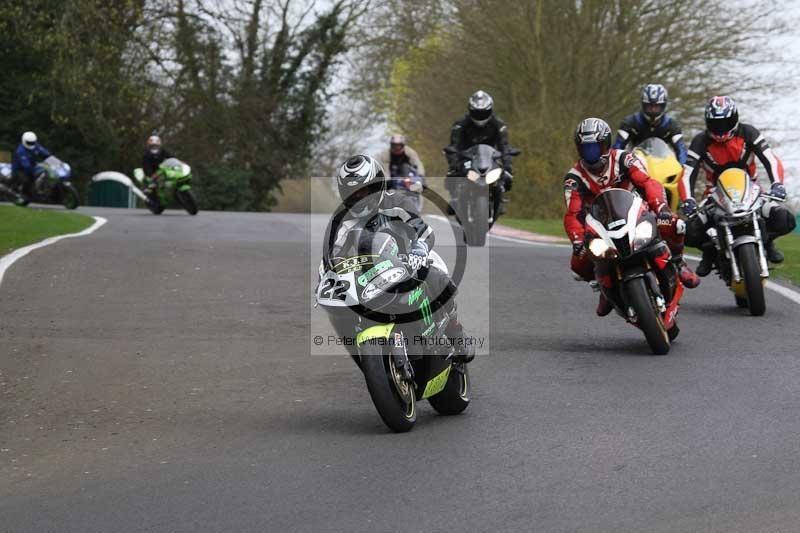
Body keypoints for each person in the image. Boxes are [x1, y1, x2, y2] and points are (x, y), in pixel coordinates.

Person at [323, 155, 474, 362]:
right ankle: (364, 353)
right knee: (340, 305)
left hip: (409, 259)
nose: (359, 197)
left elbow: (423, 230)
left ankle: (456, 332)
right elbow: (333, 253)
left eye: (365, 191)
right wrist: (330, 272)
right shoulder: (342, 220)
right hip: (369, 274)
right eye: (352, 194)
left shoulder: (398, 201)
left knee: (435, 275)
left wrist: (419, 250)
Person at [563, 118, 699, 316]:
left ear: (606, 144)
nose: (590, 154)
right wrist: (577, 240)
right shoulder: (573, 178)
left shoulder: (623, 159)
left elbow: (647, 183)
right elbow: (573, 214)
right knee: (578, 264)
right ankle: (604, 286)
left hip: (635, 212)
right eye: (586, 149)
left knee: (674, 224)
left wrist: (660, 207)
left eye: (595, 147)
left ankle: (678, 262)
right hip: (600, 226)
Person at [680, 96, 795, 276]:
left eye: (726, 123)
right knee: (690, 230)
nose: (721, 129)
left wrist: (777, 184)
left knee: (784, 218)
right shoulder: (700, 141)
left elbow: (771, 159)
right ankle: (709, 252)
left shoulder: (749, 133)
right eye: (715, 124)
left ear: (735, 118)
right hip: (714, 196)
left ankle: (767, 241)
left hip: (753, 191)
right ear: (707, 123)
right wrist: (688, 200)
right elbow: (687, 173)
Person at [445, 90, 513, 209]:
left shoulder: (498, 124)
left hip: (490, 158)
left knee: (506, 176)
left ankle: (499, 197)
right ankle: (455, 198)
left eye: (483, 113)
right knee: (453, 174)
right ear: (470, 110)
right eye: (477, 113)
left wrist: (508, 165)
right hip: (466, 157)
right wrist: (454, 161)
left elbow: (505, 146)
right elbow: (454, 145)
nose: (480, 116)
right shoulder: (460, 124)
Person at [613, 84, 688, 164]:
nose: (653, 109)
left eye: (656, 107)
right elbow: (618, 147)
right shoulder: (630, 122)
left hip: (662, 165)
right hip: (635, 163)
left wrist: (682, 167)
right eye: (650, 106)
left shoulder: (672, 125)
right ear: (644, 105)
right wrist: (617, 165)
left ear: (663, 106)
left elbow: (681, 149)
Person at [11, 131, 51, 204]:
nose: (31, 144)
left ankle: (40, 189)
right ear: (24, 140)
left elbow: (43, 151)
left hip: (31, 166)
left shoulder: (35, 145)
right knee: (27, 180)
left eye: (32, 142)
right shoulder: (20, 151)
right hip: (20, 170)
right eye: (29, 142)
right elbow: (26, 166)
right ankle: (24, 195)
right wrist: (40, 165)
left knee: (44, 173)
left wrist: (49, 157)